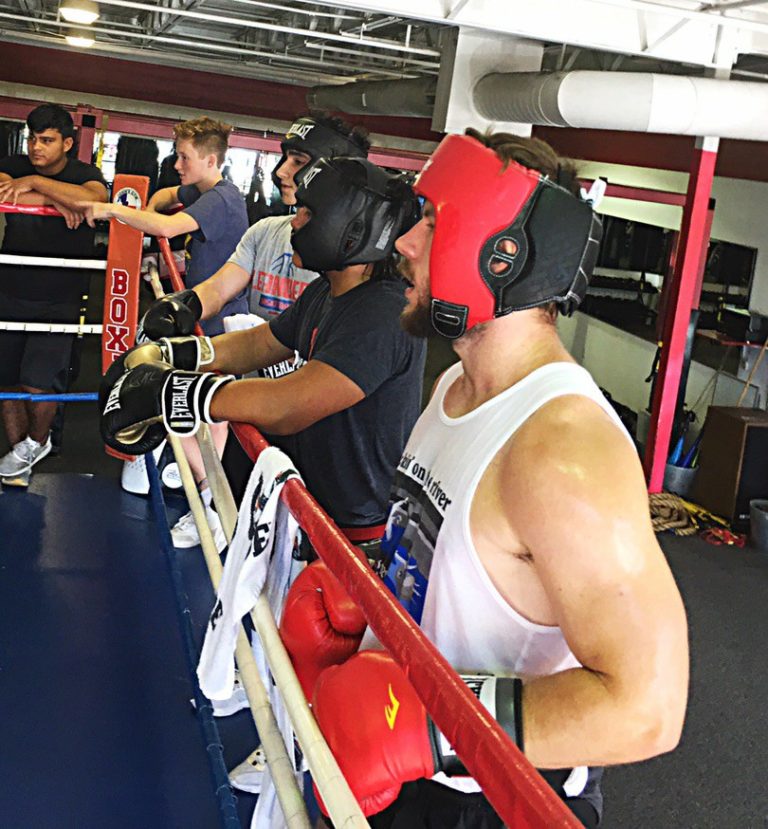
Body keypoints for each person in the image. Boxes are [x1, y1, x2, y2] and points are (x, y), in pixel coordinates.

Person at [300, 131, 690, 828]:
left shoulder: (563, 448)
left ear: (500, 253)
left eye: (433, 222)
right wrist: (373, 588)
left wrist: (429, 725)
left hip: (491, 800)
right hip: (408, 771)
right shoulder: (454, 385)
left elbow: (647, 707)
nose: (405, 244)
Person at [99, 153, 426, 544]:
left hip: (350, 534)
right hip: (303, 506)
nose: (295, 222)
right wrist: (177, 355)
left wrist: (177, 394)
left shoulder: (383, 313)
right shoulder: (327, 290)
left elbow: (288, 404)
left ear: (350, 229)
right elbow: (263, 342)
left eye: (308, 213)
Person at [80, 116, 248, 547]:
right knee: (195, 415)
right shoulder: (203, 190)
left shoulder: (223, 199)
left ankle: (213, 509)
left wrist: (113, 210)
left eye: (184, 157)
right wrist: (154, 215)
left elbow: (170, 226)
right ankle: (209, 502)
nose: (176, 165)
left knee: (201, 417)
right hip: (200, 318)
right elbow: (166, 198)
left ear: (211, 160)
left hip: (217, 325)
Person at [0, 103, 108, 486]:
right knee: (6, 383)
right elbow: (5, 193)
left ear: (67, 143)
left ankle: (38, 441)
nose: (36, 147)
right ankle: (22, 456)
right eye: (32, 138)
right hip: (10, 290)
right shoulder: (12, 165)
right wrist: (62, 200)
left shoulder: (85, 174)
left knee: (37, 382)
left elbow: (93, 200)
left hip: (60, 297)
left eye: (46, 140)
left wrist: (35, 183)